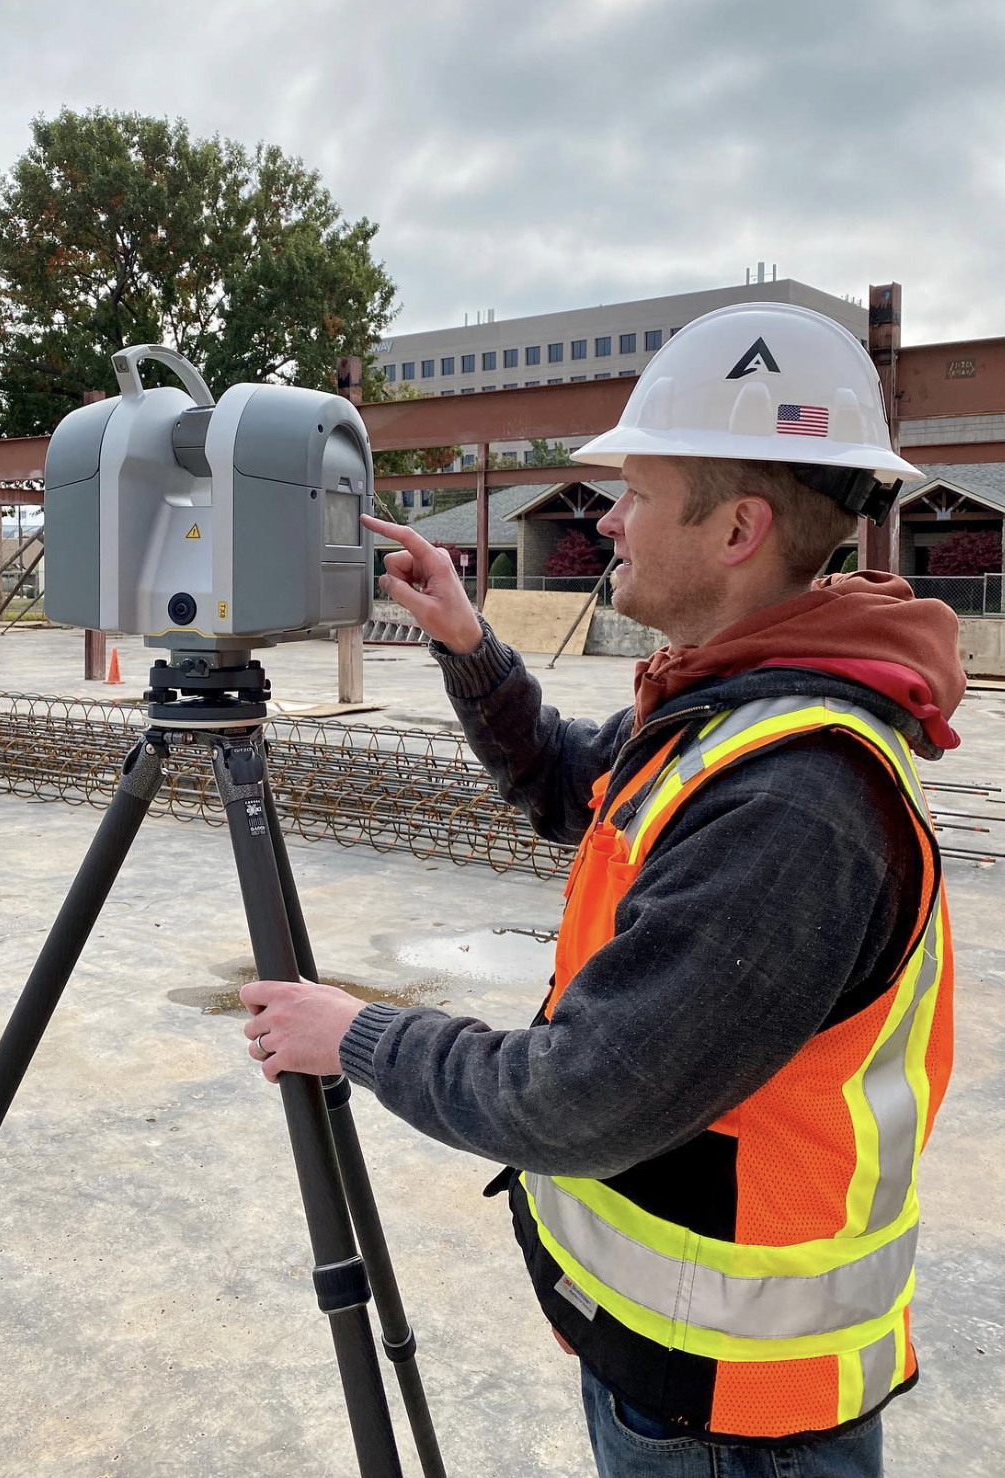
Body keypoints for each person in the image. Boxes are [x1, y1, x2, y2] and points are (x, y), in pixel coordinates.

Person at [240, 303, 962, 1476]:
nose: (606, 517)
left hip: (733, 1416)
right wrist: (472, 646)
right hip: (671, 1366)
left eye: (635, 487)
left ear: (737, 527)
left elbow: (575, 1099)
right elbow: (584, 785)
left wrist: (359, 1034)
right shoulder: (731, 707)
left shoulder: (795, 801)